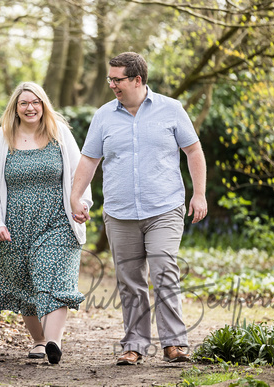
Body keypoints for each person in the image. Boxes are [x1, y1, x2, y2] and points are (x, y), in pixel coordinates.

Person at [70, 52, 207, 365]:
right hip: (119, 213)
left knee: (163, 269)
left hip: (164, 208)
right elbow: (90, 158)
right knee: (129, 280)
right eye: (110, 78)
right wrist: (76, 196)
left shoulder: (171, 110)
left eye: (117, 79)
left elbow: (193, 150)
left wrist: (199, 194)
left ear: (137, 80)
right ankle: (134, 345)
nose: (112, 84)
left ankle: (175, 343)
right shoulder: (103, 116)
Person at [0, 81, 92, 365]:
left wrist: (81, 205)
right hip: (14, 225)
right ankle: (40, 341)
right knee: (24, 285)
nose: (30, 107)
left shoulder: (60, 135)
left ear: (44, 105)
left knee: (56, 279)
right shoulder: (2, 138)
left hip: (57, 220)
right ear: (15, 109)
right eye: (24, 103)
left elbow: (79, 174)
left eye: (36, 102)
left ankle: (54, 342)